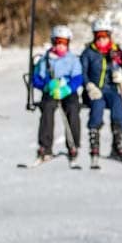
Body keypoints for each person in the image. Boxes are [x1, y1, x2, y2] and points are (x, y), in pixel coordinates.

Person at [80, 19, 122, 163]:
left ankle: (117, 143)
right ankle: (94, 142)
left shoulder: (117, 52)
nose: (102, 39)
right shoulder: (89, 53)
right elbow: (82, 72)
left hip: (111, 90)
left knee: (117, 103)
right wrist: (88, 85)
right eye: (99, 35)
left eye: (105, 35)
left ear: (109, 35)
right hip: (94, 91)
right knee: (97, 105)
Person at [30, 25, 84, 163]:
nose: (61, 46)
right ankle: (45, 147)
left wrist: (67, 89)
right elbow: (36, 79)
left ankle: (73, 145)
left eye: (64, 43)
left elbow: (78, 78)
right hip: (51, 91)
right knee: (47, 108)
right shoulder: (46, 59)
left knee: (72, 108)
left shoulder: (72, 59)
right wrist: (47, 86)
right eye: (58, 42)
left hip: (67, 90)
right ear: (53, 42)